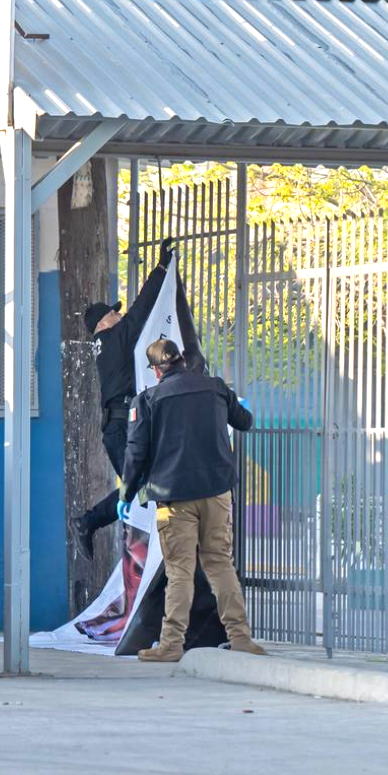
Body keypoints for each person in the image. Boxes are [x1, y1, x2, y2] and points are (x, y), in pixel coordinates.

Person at [119, 339, 266, 662]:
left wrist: (126, 493)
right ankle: (241, 637)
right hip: (216, 492)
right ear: (183, 359)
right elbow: (245, 421)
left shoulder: (149, 399)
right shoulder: (215, 388)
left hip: (174, 499)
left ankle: (171, 645)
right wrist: (230, 402)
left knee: (180, 571)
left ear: (157, 370)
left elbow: (136, 452)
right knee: (220, 564)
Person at [73, 239, 175, 557]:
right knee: (142, 487)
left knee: (144, 486)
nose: (121, 316)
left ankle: (101, 527)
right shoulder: (115, 337)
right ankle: (90, 523)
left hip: (122, 426)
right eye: (114, 315)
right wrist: (160, 269)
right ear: (104, 323)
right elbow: (143, 308)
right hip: (121, 428)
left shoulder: (109, 342)